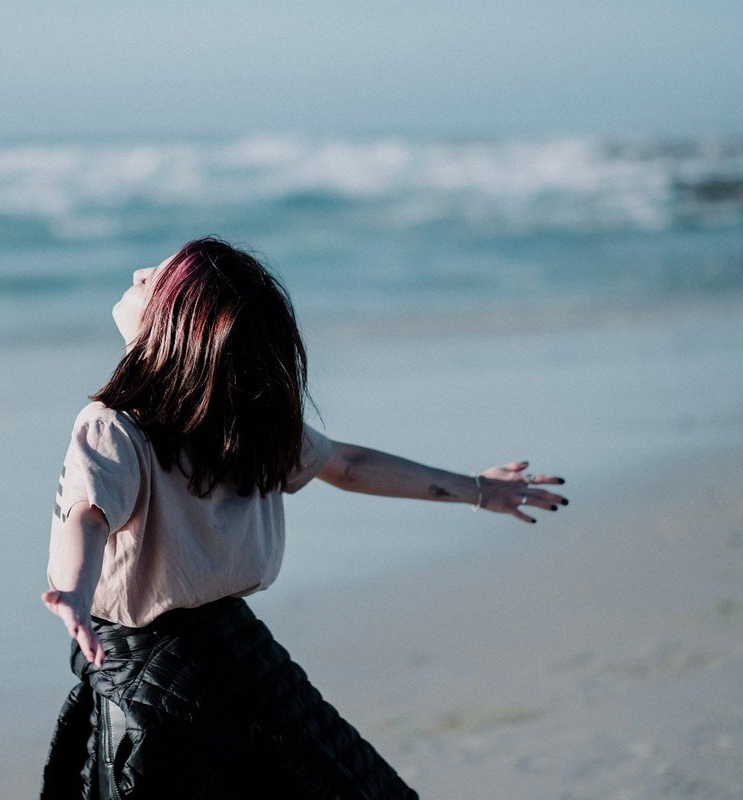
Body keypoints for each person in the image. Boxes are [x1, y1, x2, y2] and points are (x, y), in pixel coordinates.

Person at [40, 237, 567, 799]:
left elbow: (89, 518)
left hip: (149, 671)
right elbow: (348, 464)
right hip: (238, 656)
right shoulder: (246, 421)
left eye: (153, 279)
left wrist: (72, 593)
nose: (139, 271)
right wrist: (479, 490)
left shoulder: (113, 427)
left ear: (174, 322)